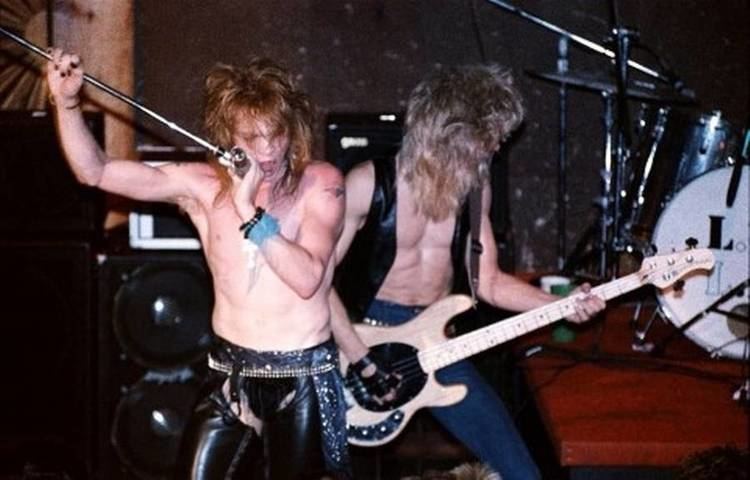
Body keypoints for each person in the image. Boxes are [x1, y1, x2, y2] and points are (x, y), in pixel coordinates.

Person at [46, 49, 351, 479]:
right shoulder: (202, 186)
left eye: (276, 134)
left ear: (292, 129)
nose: (267, 151)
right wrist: (67, 104)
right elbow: (95, 173)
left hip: (302, 374)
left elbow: (307, 279)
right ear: (228, 136)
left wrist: (249, 211)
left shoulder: (320, 184)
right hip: (231, 371)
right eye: (252, 137)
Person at [329, 63, 606, 480]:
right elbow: (316, 282)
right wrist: (360, 358)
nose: (493, 149)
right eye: (486, 138)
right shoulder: (366, 183)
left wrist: (562, 305)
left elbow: (489, 283)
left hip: (435, 339)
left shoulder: (476, 188)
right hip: (360, 337)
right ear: (451, 134)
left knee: (521, 472)